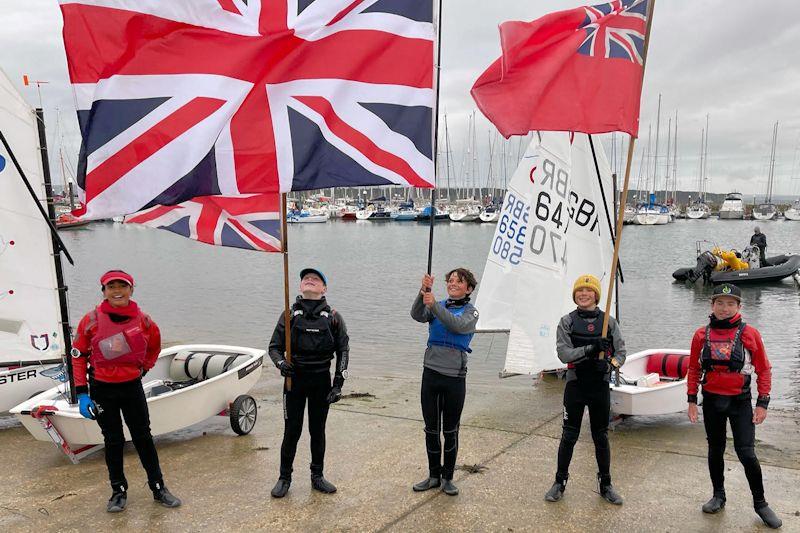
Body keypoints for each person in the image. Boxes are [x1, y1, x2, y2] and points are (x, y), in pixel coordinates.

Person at [71, 270, 181, 512]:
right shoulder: (90, 320)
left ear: (132, 290)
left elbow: (153, 348)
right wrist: (81, 393)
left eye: (123, 286)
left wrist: (143, 370)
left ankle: (158, 487)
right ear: (104, 291)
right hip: (102, 389)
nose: (117, 290)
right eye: (112, 286)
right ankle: (118, 492)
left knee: (143, 437)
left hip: (131, 387)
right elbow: (77, 356)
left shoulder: (145, 321)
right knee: (113, 440)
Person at [686, 283, 781, 529]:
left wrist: (763, 403)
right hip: (712, 401)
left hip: (739, 402)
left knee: (746, 453)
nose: (724, 308)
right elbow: (694, 369)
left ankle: (760, 504)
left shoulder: (750, 334)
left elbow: (763, 369)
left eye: (730, 304)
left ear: (739, 306)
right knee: (715, 449)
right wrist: (691, 400)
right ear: (712, 305)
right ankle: (718, 495)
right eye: (720, 303)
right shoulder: (700, 335)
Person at [544, 274, 626, 505]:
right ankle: (559, 482)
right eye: (580, 291)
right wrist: (591, 349)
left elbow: (622, 354)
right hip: (575, 385)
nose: (584, 294)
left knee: (600, 436)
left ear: (596, 295)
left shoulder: (608, 322)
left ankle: (606, 484)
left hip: (599, 385)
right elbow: (564, 354)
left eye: (589, 291)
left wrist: (609, 365)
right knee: (569, 434)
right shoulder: (566, 321)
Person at [268, 268, 349, 498]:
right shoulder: (289, 315)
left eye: (316, 279)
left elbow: (343, 350)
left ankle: (317, 476)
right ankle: (284, 477)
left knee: (317, 430)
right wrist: (281, 364)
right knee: (291, 431)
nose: (310, 281)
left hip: (321, 382)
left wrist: (338, 384)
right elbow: (273, 347)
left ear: (324, 288)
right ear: (300, 286)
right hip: (294, 382)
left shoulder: (333, 317)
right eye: (306, 278)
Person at [410, 268, 479, 496]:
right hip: (430, 374)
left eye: (459, 282)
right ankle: (433, 475)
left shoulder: (472, 312)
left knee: (450, 430)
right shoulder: (435, 304)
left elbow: (457, 326)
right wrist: (423, 292)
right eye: (450, 281)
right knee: (431, 429)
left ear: (468, 288)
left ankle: (448, 478)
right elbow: (417, 315)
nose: (453, 284)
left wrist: (434, 305)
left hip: (454, 379)